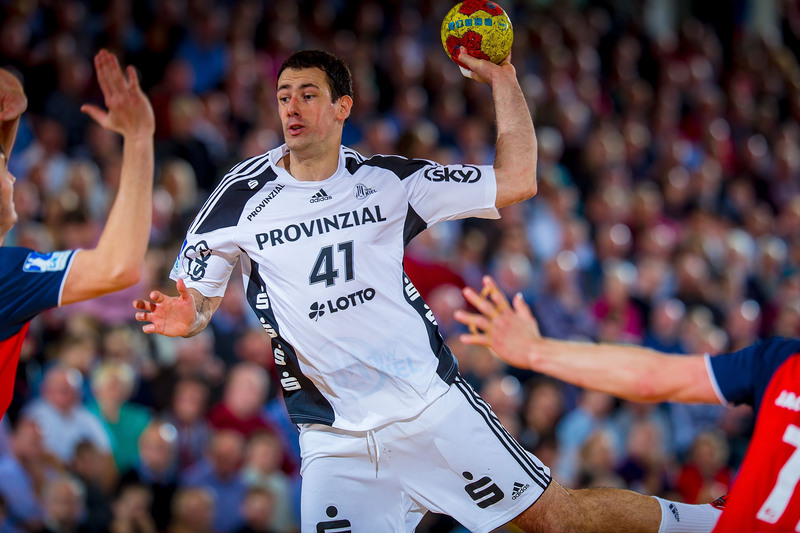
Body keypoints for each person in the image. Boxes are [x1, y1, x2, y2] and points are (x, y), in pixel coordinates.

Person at [134, 48, 717, 532]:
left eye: (308, 94)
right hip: (334, 438)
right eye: (284, 95)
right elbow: (200, 302)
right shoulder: (238, 196)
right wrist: (190, 316)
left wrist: (504, 81)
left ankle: (712, 523)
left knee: (557, 521)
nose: (292, 106)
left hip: (431, 409)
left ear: (342, 107)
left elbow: (517, 180)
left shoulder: (390, 182)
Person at [456, 275, 800, 532]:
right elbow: (651, 376)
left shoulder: (784, 360)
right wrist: (536, 351)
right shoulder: (781, 360)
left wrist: (536, 350)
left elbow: (651, 376)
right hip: (733, 515)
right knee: (569, 515)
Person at [0, 49, 155, 420]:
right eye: (4, 171)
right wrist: (138, 139)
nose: (13, 176)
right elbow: (117, 267)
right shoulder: (6, 274)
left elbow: (10, 93)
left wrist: (11, 107)